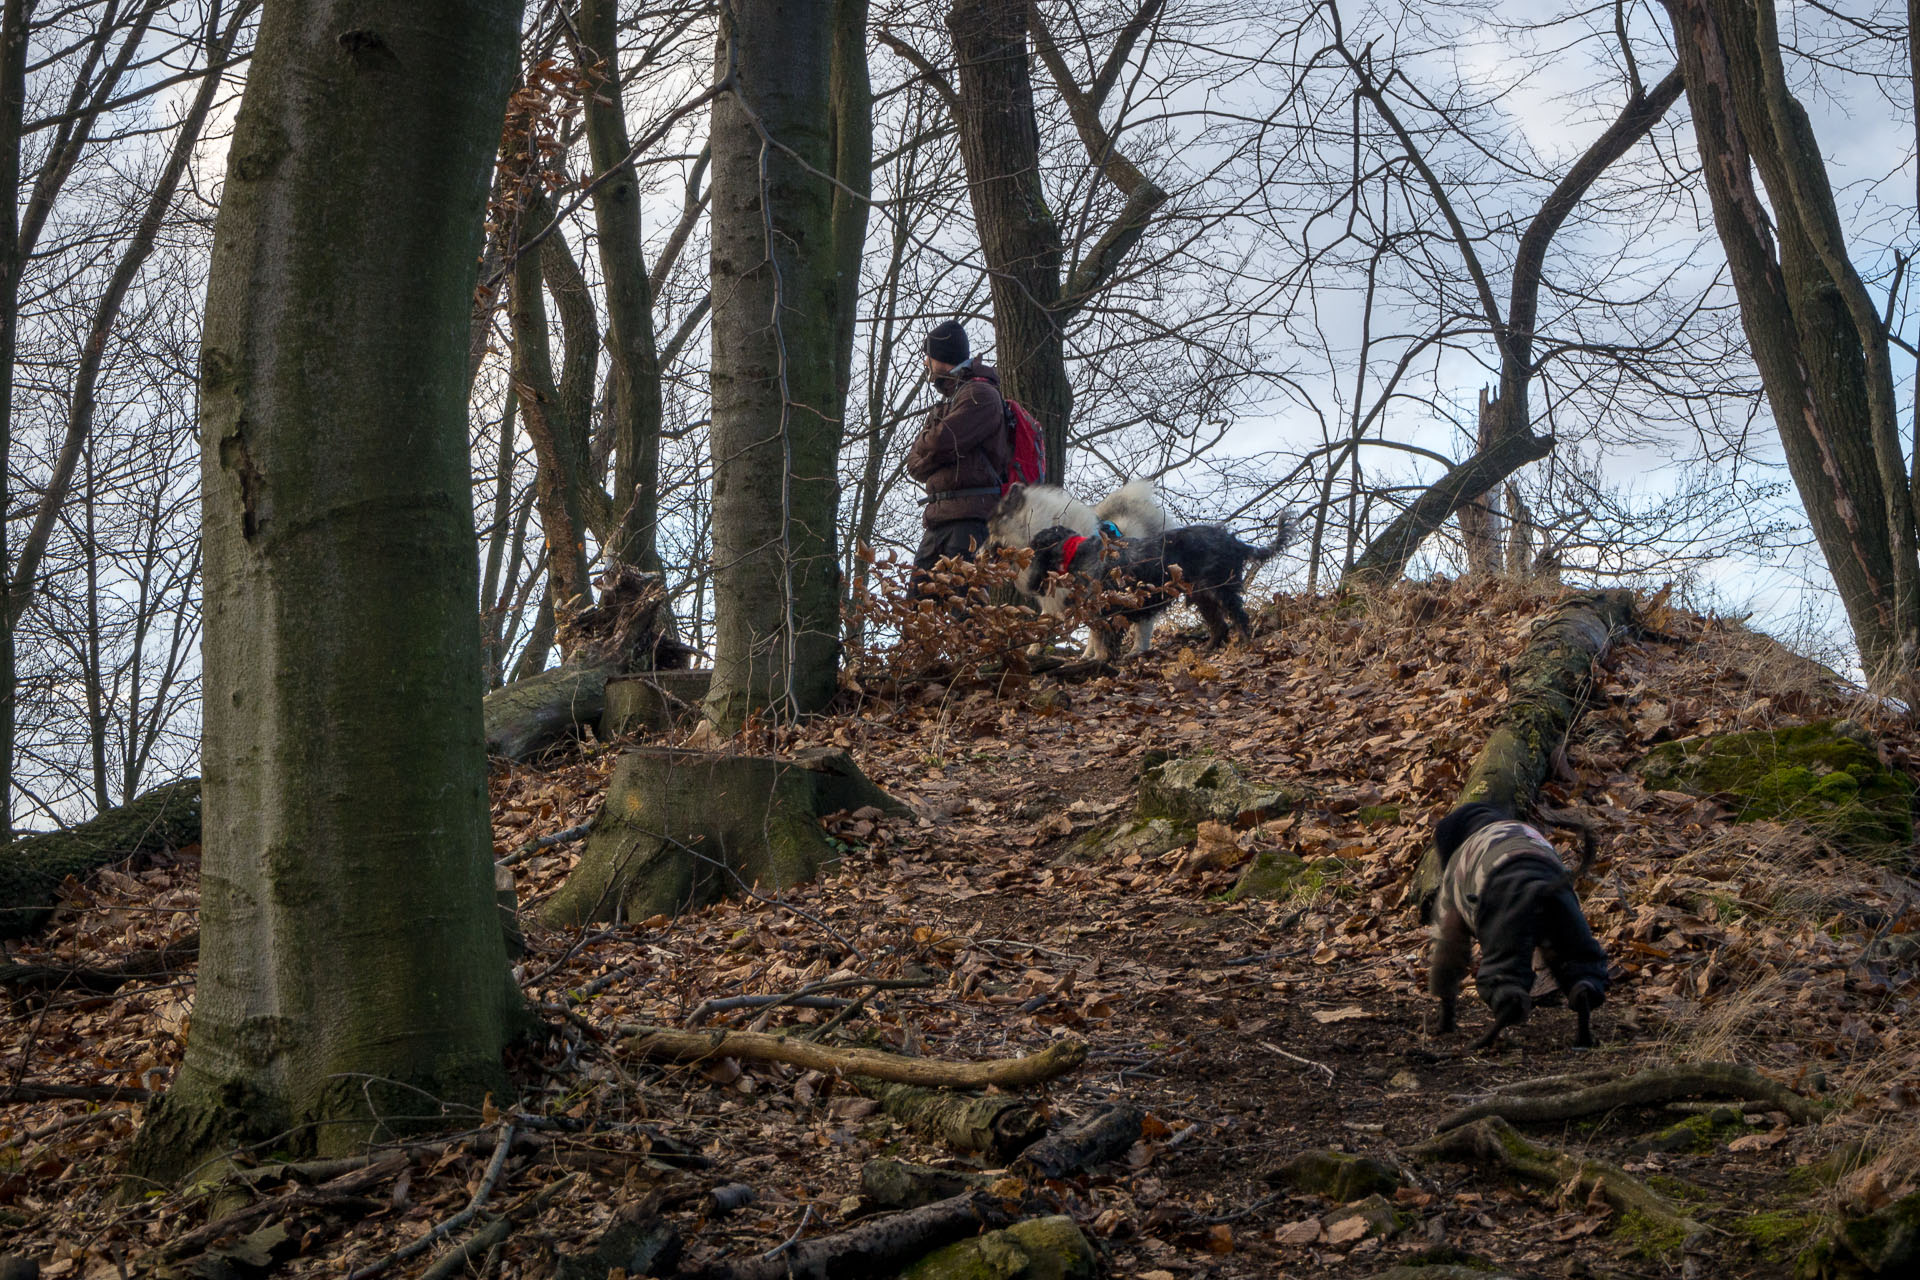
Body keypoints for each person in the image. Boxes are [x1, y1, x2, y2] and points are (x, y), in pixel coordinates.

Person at [906, 320, 1009, 592]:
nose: (926, 362)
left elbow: (940, 440)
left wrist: (934, 448)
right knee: (916, 621)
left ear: (943, 357)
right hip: (938, 522)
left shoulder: (980, 395)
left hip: (970, 524)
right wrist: (938, 449)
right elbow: (913, 466)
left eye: (929, 355)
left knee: (963, 618)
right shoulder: (949, 402)